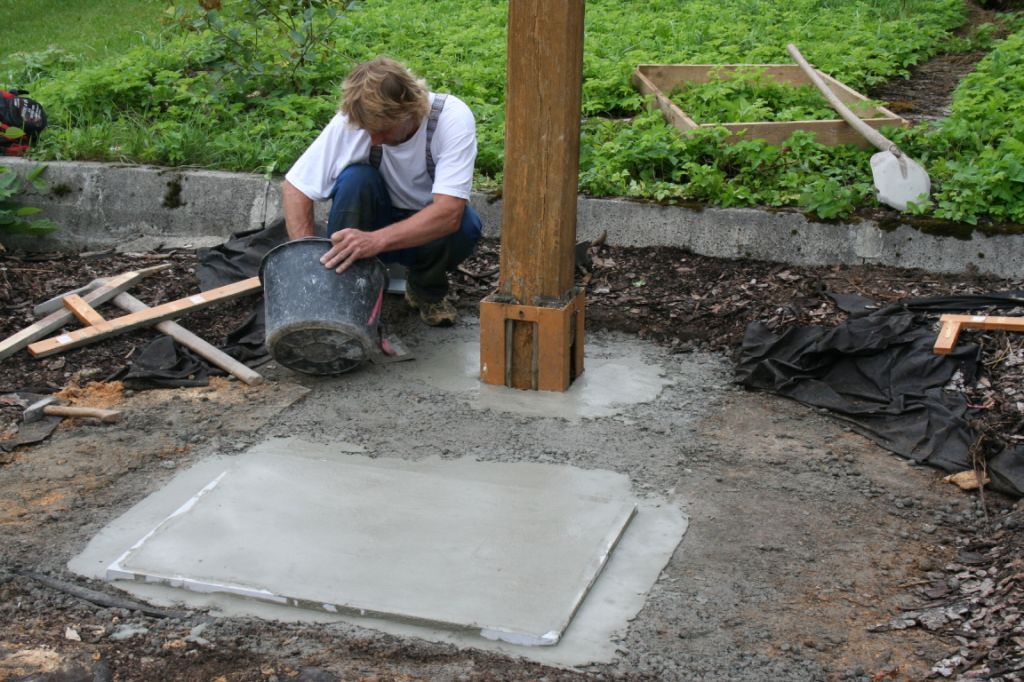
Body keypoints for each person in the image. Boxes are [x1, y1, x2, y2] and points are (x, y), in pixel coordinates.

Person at [282, 57, 482, 326]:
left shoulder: (451, 119)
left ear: (409, 110)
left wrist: (375, 241)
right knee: (356, 179)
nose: (373, 139)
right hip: (375, 217)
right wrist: (307, 262)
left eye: (381, 130)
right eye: (367, 131)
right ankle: (341, 292)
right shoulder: (355, 118)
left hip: (424, 234)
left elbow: (448, 213)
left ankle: (425, 290)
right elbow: (295, 187)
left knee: (465, 224)